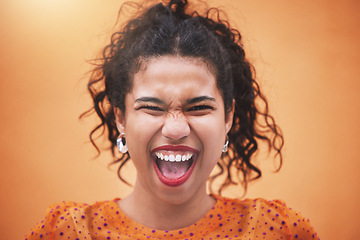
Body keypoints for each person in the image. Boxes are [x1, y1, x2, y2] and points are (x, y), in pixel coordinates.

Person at [25, 0, 320, 239]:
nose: (176, 129)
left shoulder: (280, 231)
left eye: (198, 108)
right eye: (152, 108)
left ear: (228, 117)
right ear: (121, 118)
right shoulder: (65, 232)